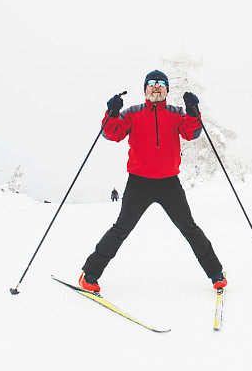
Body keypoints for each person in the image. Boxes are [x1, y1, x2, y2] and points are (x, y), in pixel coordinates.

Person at [79, 69, 226, 293]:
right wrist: (112, 112)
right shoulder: (132, 113)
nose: (156, 87)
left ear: (166, 89)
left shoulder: (176, 113)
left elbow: (191, 133)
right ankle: (89, 274)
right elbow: (112, 134)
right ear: (145, 89)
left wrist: (193, 111)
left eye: (160, 83)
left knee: (189, 228)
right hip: (139, 183)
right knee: (121, 229)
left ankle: (216, 274)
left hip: (169, 184)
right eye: (151, 83)